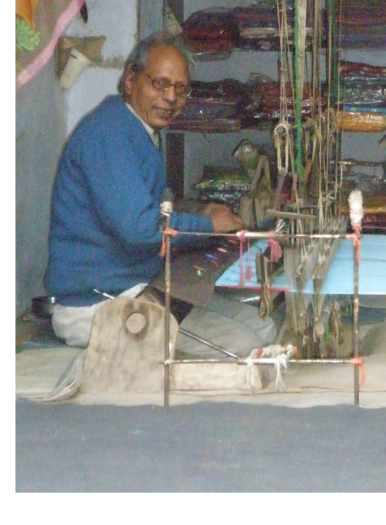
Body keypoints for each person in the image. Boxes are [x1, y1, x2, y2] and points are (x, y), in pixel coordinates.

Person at [45, 34, 276, 355]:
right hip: (97, 305)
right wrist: (208, 226)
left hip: (136, 289)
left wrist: (200, 215)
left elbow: (144, 208)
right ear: (129, 80)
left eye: (180, 89)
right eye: (160, 83)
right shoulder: (108, 133)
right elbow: (139, 228)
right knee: (245, 346)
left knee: (264, 326)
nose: (171, 97)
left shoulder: (137, 130)